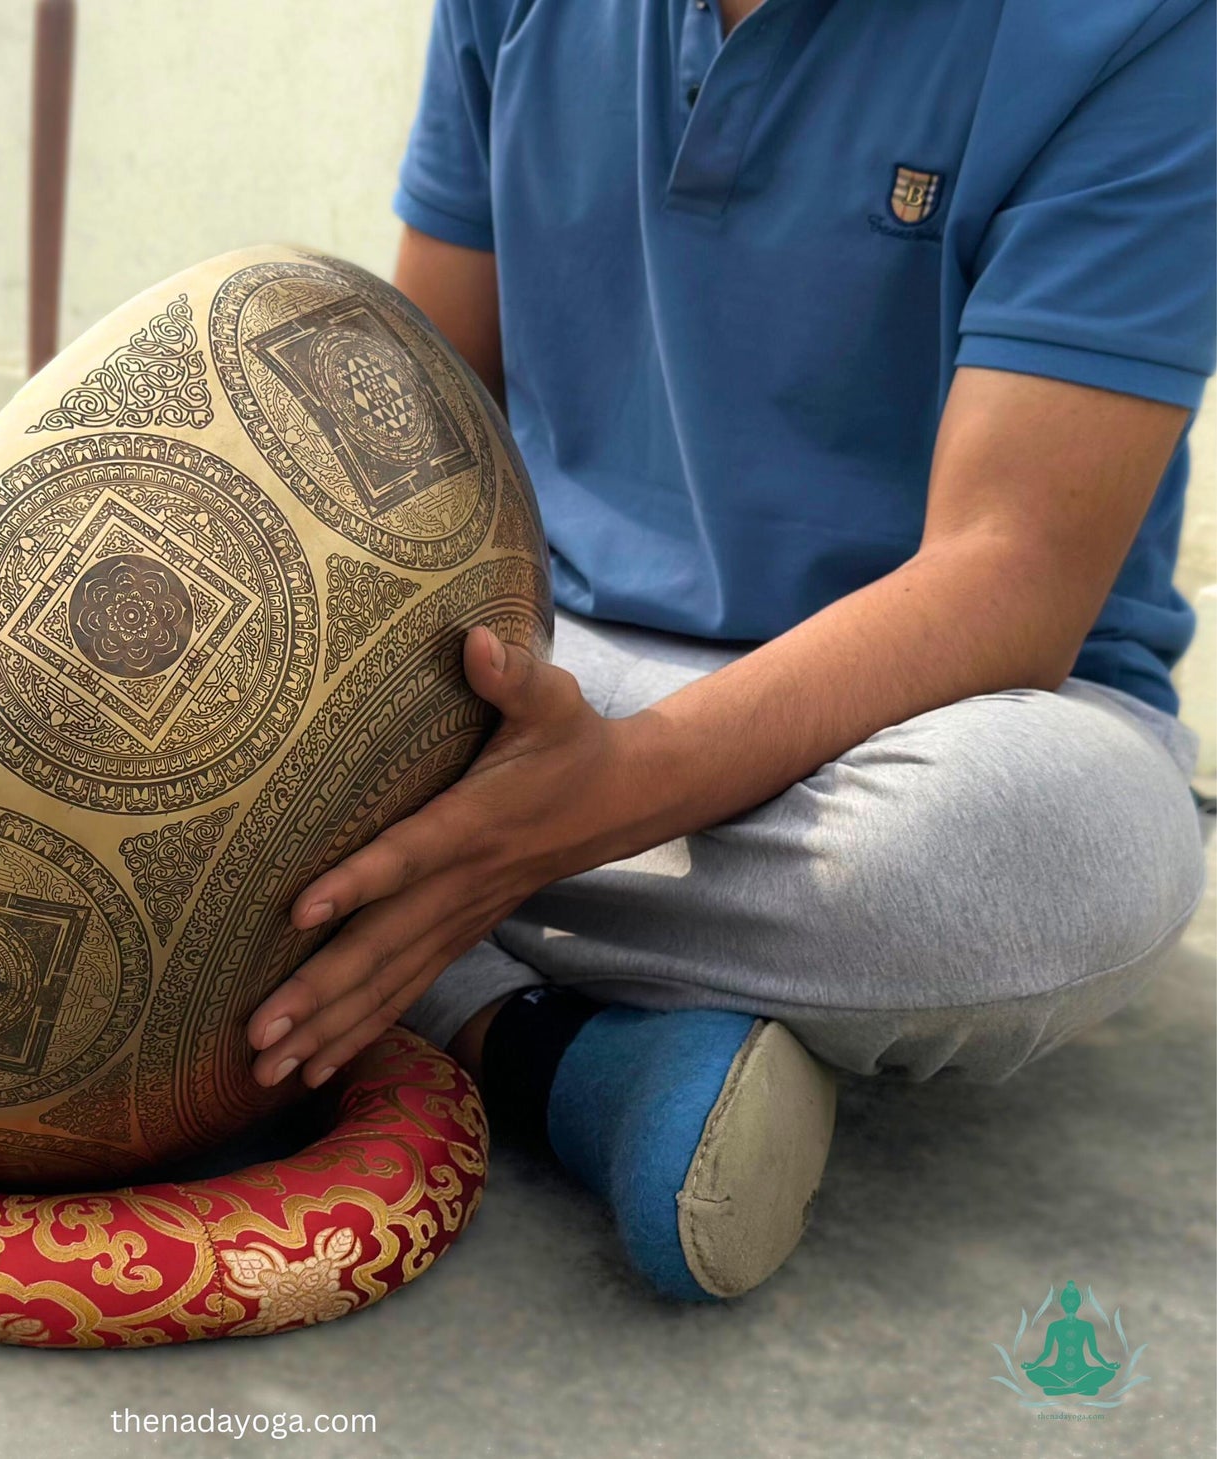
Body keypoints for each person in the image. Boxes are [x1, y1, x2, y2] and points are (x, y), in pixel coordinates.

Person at [245, 0, 1213, 1301]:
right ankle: (571, 1062)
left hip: (941, 716)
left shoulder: (1142, 27)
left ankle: (431, 963)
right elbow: (424, 428)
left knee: (1028, 855)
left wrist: (577, 804)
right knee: (197, 681)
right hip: (555, 659)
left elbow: (1009, 576)